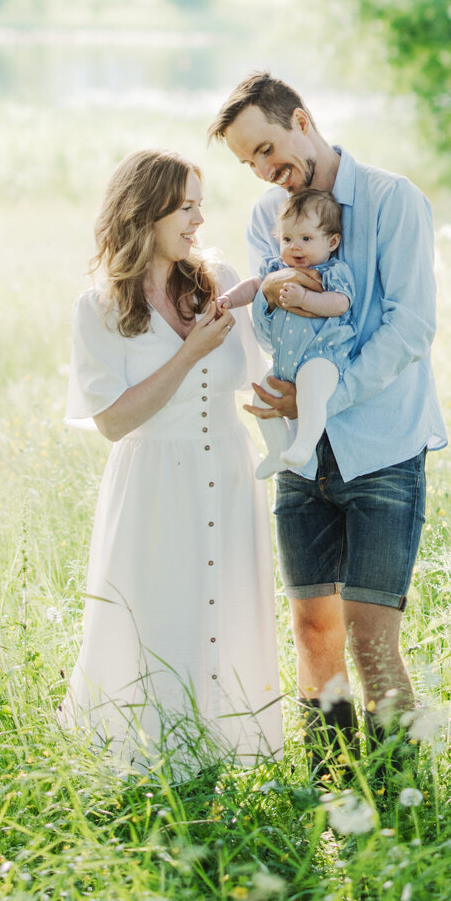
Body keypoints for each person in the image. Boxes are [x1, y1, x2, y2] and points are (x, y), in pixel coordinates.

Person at [208, 70, 444, 759]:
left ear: (302, 119)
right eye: (248, 161)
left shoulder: (393, 201)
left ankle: (400, 801)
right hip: (299, 454)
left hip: (382, 448)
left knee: (371, 636)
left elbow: (410, 328)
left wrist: (322, 396)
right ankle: (332, 789)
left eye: (266, 148)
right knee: (314, 630)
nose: (262, 170)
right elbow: (277, 319)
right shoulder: (266, 219)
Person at [60, 148, 283, 771]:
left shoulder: (216, 278)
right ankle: (153, 762)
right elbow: (114, 421)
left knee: (225, 606)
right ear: (147, 212)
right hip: (154, 481)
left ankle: (229, 755)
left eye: (200, 207)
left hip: (229, 474)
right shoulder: (100, 308)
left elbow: (253, 380)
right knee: (157, 614)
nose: (198, 222)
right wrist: (188, 355)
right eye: (186, 208)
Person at [235, 189, 355, 482]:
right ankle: (278, 450)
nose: (295, 247)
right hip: (285, 364)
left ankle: (304, 442)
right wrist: (228, 300)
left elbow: (340, 303)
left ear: (332, 241)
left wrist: (304, 298)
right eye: (287, 239)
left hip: (322, 357)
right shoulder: (277, 269)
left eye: (305, 239)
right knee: (263, 397)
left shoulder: (333, 271)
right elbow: (254, 287)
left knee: (312, 392)